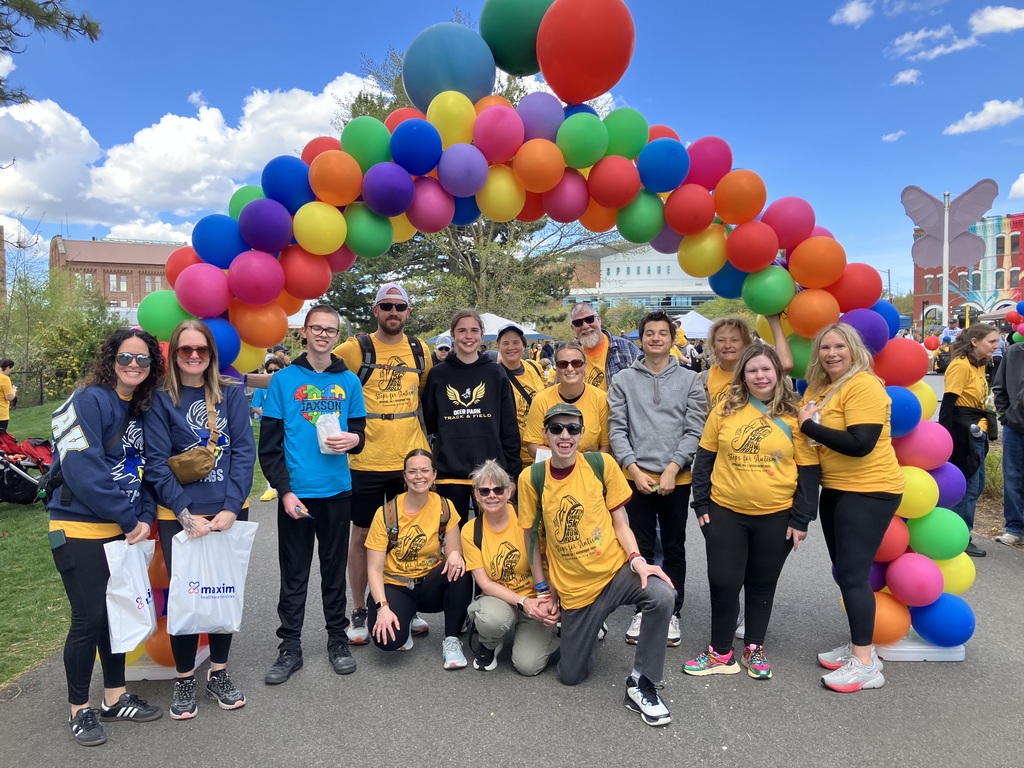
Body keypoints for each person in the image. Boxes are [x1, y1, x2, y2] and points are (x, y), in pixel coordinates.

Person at [517, 403, 676, 726]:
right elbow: (531, 541)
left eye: (573, 429)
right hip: (576, 590)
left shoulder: (601, 464)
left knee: (661, 595)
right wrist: (543, 589)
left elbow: (621, 524)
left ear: (582, 433)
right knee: (571, 675)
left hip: (616, 572)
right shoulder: (531, 477)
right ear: (545, 434)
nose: (565, 435)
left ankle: (642, 682)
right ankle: (588, 630)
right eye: (557, 428)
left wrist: (638, 561)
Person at [47, 329, 166, 746]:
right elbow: (81, 468)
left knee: (113, 617)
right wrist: (126, 518)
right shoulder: (89, 399)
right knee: (89, 618)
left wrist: (143, 517)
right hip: (78, 526)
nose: (133, 365)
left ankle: (114, 698)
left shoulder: (143, 407)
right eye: (125, 357)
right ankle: (79, 709)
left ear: (153, 366)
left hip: (124, 531)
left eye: (143, 360)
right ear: (110, 358)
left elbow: (149, 472)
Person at [685, 344, 820, 680]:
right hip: (725, 511)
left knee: (762, 583)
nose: (760, 376)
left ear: (778, 373)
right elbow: (704, 459)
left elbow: (809, 471)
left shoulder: (795, 414)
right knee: (723, 581)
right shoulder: (724, 410)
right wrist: (700, 503)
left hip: (777, 515)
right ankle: (720, 653)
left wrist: (802, 518)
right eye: (752, 370)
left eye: (766, 369)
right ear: (743, 375)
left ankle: (754, 648)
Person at [144, 320, 256, 720]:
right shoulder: (160, 399)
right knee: (186, 597)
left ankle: (219, 673)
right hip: (180, 514)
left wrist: (231, 506)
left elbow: (244, 451)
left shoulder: (230, 394)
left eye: (201, 350)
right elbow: (156, 463)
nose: (193, 356)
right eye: (185, 350)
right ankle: (185, 677)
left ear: (212, 354)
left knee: (224, 591)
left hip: (228, 509)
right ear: (173, 355)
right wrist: (185, 513)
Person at [259, 304, 367, 684]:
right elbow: (269, 448)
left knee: (333, 571)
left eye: (331, 330)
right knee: (295, 574)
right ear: (303, 332)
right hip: (298, 497)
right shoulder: (284, 381)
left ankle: (337, 640)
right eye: (317, 328)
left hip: (337, 492)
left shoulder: (349, 382)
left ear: (338, 336)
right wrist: (285, 492)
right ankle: (289, 647)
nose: (323, 334)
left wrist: (354, 439)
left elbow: (359, 436)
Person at [797, 323, 904, 693]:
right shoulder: (820, 388)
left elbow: (861, 443)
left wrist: (809, 426)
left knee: (854, 574)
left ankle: (864, 663)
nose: (831, 353)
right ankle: (861, 646)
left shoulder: (864, 385)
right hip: (838, 489)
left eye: (839, 345)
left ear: (854, 348)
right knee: (844, 572)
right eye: (824, 347)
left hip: (871, 490)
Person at [332, 283, 433, 645]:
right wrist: (246, 380)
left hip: (410, 461)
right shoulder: (355, 349)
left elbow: (427, 396)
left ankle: (406, 602)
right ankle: (359, 608)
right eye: (387, 306)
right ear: (376, 311)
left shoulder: (421, 350)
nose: (394, 312)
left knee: (406, 536)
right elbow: (315, 378)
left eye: (400, 307)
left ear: (408, 312)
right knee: (361, 537)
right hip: (366, 461)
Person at [608, 311, 706, 647]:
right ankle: (645, 608)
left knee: (675, 547)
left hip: (676, 479)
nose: (655, 339)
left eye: (662, 333)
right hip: (636, 478)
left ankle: (672, 612)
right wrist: (633, 469)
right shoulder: (623, 380)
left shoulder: (691, 380)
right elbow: (617, 428)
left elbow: (695, 429)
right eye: (649, 333)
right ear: (641, 338)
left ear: (671, 338)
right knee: (641, 547)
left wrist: (674, 467)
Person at [364, 449, 473, 668]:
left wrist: (454, 555)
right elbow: (374, 569)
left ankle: (451, 639)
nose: (418, 476)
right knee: (388, 641)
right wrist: (382, 607)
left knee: (459, 569)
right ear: (405, 476)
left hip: (430, 584)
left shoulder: (444, 506)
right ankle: (405, 617)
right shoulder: (386, 513)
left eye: (424, 471)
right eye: (412, 471)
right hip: (396, 585)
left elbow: (453, 550)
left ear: (434, 474)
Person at [422, 308, 521, 523]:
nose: (468, 336)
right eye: (462, 330)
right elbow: (428, 422)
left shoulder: (496, 373)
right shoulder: (438, 375)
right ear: (453, 334)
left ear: (482, 334)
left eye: (474, 330)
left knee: (490, 540)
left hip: (491, 472)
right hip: (449, 472)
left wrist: (512, 473)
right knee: (453, 540)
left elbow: (509, 427)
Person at [462, 459, 560, 674]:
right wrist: (523, 602)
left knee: (528, 666)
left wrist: (551, 599)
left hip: (539, 599)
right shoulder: (471, 530)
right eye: (484, 491)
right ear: (476, 495)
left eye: (498, 489)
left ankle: (557, 636)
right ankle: (489, 643)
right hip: (501, 599)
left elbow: (553, 562)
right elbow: (484, 583)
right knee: (491, 620)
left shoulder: (529, 518)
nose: (492, 496)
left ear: (509, 491)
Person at [939, 323, 1000, 558]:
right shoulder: (960, 366)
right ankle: (960, 536)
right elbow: (948, 403)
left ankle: (959, 532)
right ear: (975, 342)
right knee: (966, 486)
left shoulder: (980, 365)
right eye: (991, 342)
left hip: (977, 429)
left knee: (977, 484)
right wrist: (945, 437)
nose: (996, 346)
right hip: (963, 430)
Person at [524, 343, 610, 460]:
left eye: (576, 363)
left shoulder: (601, 399)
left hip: (590, 472)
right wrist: (572, 460)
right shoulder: (541, 400)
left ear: (585, 366)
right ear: (557, 368)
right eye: (563, 364)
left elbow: (606, 447)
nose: (570, 368)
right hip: (553, 470)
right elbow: (533, 446)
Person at [703, 316, 792, 411]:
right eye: (721, 340)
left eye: (735, 340)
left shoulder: (760, 376)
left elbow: (785, 366)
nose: (727, 345)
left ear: (746, 343)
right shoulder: (701, 380)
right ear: (713, 344)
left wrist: (773, 320)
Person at [496, 323, 546, 471]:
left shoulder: (535, 367)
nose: (511, 347)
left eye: (516, 342)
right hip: (513, 458)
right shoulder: (495, 375)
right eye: (506, 343)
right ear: (498, 346)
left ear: (523, 345)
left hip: (541, 453)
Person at [569, 302, 640, 391]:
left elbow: (647, 382)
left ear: (599, 319)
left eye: (589, 319)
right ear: (573, 328)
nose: (585, 326)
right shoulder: (569, 357)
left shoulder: (627, 348)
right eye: (578, 322)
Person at [994, 334, 1024, 545]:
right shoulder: (1014, 352)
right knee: (1013, 477)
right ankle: (1014, 527)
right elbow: (999, 388)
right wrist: (1006, 416)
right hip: (1014, 427)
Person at [250, 356, 287, 501]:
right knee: (271, 454)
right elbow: (255, 406)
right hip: (270, 426)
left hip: (287, 425)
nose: (272, 373)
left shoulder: (287, 386)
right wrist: (267, 415)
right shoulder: (262, 387)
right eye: (269, 370)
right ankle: (270, 488)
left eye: (276, 370)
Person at [0, 357, 16, 432]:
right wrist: (14, 391)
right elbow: (9, 397)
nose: (10, 372)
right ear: (7, 367)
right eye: (11, 369)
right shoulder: (5, 379)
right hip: (1, 414)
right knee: (2, 438)